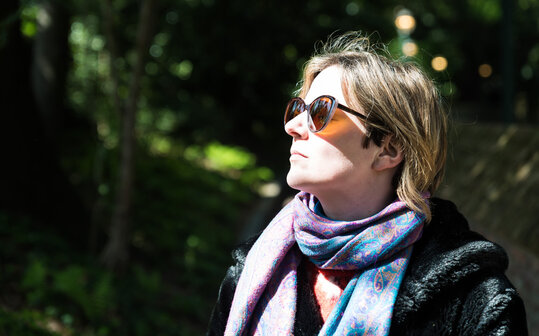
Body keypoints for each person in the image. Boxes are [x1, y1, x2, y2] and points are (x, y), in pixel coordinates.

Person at [208, 32, 528, 335]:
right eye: (298, 109)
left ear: (388, 149)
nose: (294, 126)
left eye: (322, 111)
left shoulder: (473, 298)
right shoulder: (254, 269)